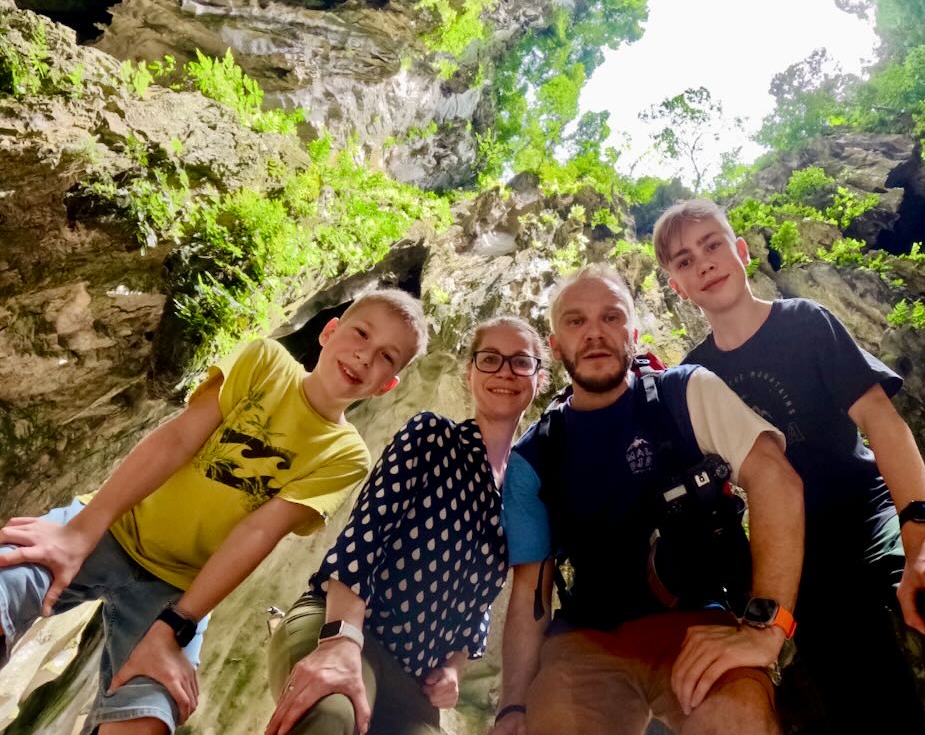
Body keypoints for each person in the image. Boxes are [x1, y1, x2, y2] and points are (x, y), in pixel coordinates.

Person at [653, 198, 925, 735]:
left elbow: (880, 418)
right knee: (865, 706)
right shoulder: (693, 376)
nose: (703, 262)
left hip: (873, 511)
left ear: (740, 251)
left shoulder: (805, 322)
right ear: (677, 287)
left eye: (712, 245)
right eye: (684, 261)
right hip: (796, 554)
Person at [0, 288, 427, 735]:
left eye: (386, 358)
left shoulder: (346, 455)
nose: (364, 356)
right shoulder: (265, 362)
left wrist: (175, 626)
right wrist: (80, 531)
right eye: (361, 333)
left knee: (147, 721)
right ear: (329, 331)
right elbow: (177, 439)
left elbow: (259, 532)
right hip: (112, 528)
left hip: (178, 589)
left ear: (387, 386)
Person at [492, 265, 804, 735]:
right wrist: (513, 707)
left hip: (697, 625)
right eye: (575, 321)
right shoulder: (535, 456)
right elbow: (529, 590)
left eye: (612, 317)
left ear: (634, 334)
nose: (595, 333)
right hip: (585, 640)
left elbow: (775, 479)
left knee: (739, 720)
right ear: (555, 347)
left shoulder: (686, 393)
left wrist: (766, 628)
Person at [265, 316, 548, 735]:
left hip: (413, 677)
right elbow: (364, 537)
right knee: (330, 718)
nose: (504, 371)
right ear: (470, 372)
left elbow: (481, 605)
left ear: (538, 380)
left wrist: (453, 668)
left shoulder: (522, 495)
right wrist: (341, 640)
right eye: (490, 359)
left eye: (520, 362)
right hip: (344, 627)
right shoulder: (433, 435)